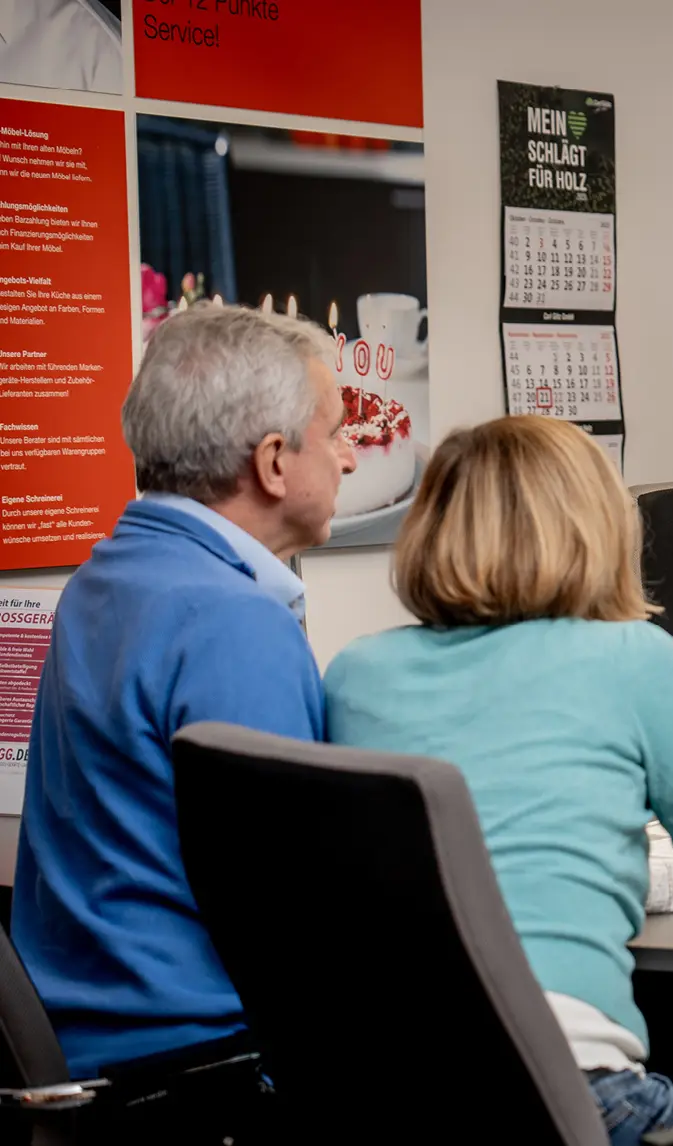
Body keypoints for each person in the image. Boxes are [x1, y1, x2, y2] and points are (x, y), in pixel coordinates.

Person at [322, 415, 673, 1146]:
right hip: (566, 1095)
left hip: (376, 1094)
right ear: (595, 528)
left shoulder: (355, 675)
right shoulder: (636, 661)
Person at [13, 304, 355, 1140]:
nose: (351, 455)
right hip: (201, 1076)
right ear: (274, 462)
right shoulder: (232, 623)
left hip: (90, 1051)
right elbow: (291, 913)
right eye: (336, 431)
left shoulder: (103, 582)